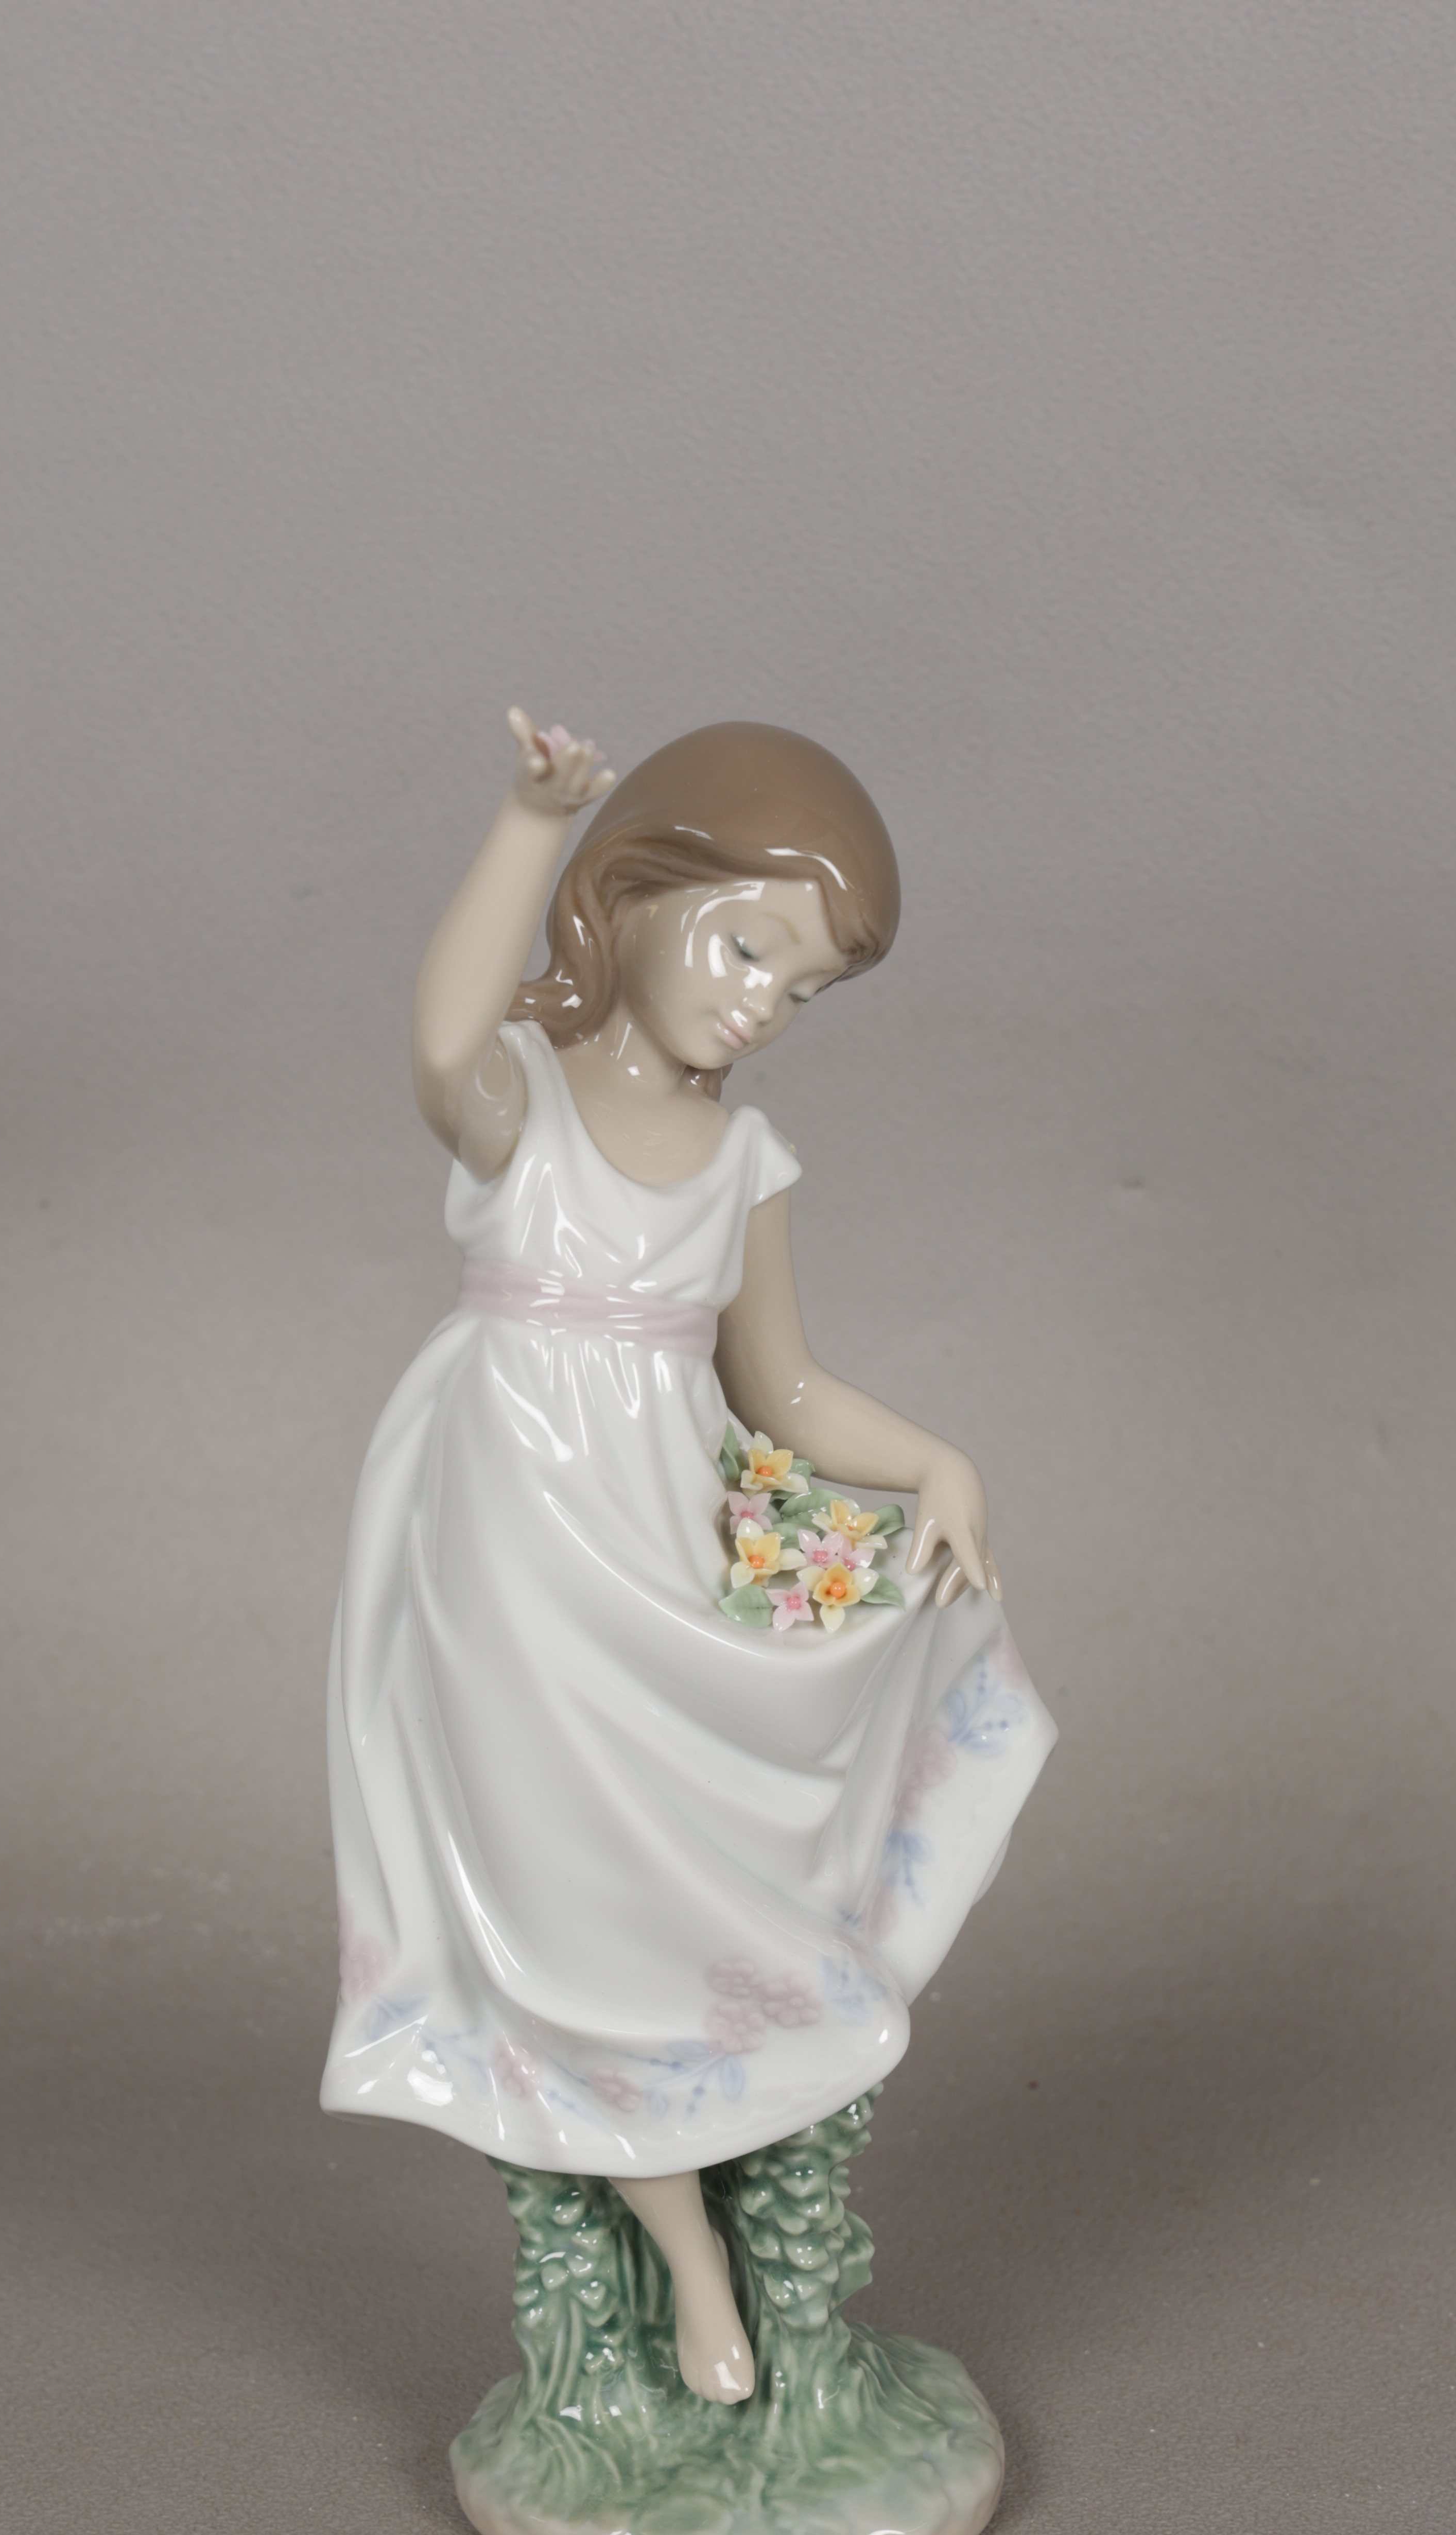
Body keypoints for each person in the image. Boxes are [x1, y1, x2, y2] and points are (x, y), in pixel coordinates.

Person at [325, 709, 1055, 2410]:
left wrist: (939, 1461)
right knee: (564, 1907)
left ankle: (729, 2216)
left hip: (660, 1562)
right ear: (634, 897)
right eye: (744, 948)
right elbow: (439, 1038)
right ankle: (694, 2277)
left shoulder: (745, 1164)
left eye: (802, 989)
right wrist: (530, 821)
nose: (760, 1006)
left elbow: (781, 1389)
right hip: (509, 1570)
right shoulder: (522, 1105)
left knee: (679, 1902)